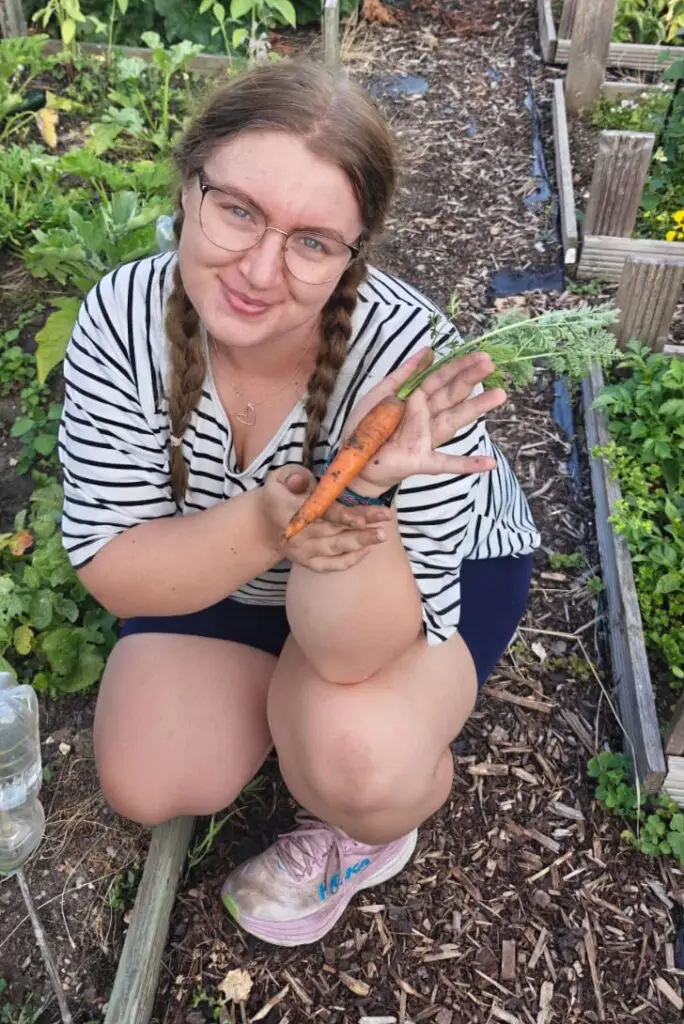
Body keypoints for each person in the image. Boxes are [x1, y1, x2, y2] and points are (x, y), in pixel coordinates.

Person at [58, 59, 540, 948]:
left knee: (357, 754)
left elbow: (358, 649)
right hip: (236, 561)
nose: (260, 269)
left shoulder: (405, 360)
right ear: (189, 180)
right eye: (238, 209)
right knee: (147, 775)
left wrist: (356, 488)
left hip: (404, 597)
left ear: (356, 252)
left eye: (313, 241)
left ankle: (367, 833)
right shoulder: (123, 317)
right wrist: (262, 525)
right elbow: (116, 566)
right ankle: (281, 695)